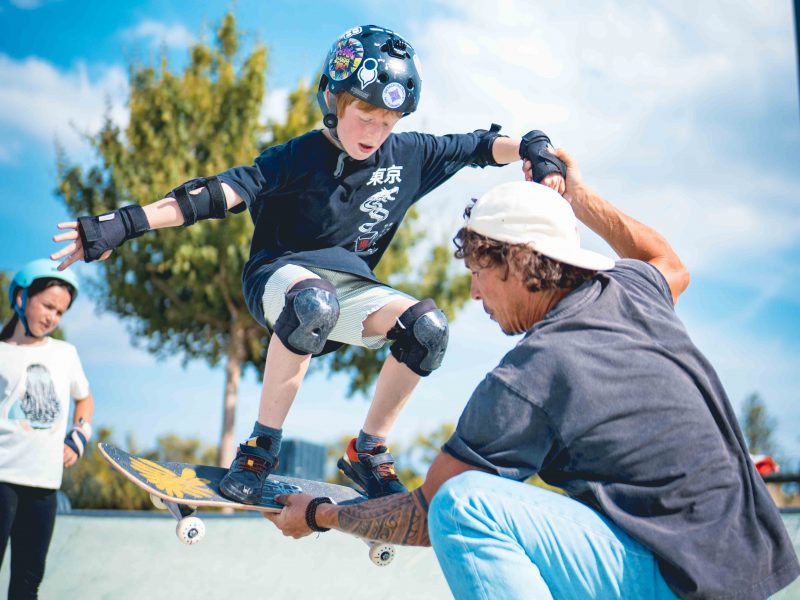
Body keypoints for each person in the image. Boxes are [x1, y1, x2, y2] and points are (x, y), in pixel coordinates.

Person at [50, 24, 565, 504]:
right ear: (334, 101)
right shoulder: (295, 157)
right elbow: (213, 195)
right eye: (365, 117)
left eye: (388, 122)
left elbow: (479, 146)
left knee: (427, 330)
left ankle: (368, 452)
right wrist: (122, 224)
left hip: (352, 289)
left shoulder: (408, 155)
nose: (375, 133)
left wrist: (533, 148)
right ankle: (260, 448)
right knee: (313, 303)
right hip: (279, 277)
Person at [265, 150, 800, 599]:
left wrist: (321, 515)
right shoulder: (633, 290)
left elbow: (427, 513)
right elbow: (668, 261)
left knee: (464, 505)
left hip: (676, 581)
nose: (474, 293)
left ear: (519, 262)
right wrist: (579, 197)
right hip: (749, 568)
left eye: (479, 272)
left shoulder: (533, 373)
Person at [0, 259, 94, 599]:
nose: (52, 317)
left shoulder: (65, 354)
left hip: (44, 484)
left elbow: (84, 399)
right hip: (2, 477)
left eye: (60, 312)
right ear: (22, 297)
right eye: (47, 306)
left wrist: (79, 436)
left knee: (28, 582)